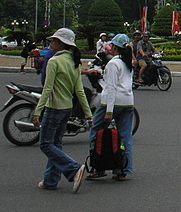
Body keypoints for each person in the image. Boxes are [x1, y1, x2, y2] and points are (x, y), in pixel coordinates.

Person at [32, 28, 91, 192]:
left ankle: (73, 168)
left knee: (45, 144)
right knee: (56, 144)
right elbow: (79, 91)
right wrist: (88, 113)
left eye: (53, 41)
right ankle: (50, 181)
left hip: (54, 107)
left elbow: (47, 88)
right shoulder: (74, 62)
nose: (51, 43)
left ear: (61, 43)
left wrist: (38, 111)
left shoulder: (54, 61)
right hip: (67, 108)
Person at [87, 33, 135, 182]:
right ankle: (123, 170)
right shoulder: (127, 63)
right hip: (128, 102)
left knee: (95, 130)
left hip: (113, 102)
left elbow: (112, 88)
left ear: (114, 47)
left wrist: (109, 111)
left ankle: (98, 167)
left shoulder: (113, 64)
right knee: (125, 135)